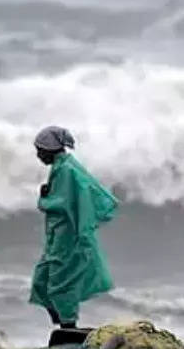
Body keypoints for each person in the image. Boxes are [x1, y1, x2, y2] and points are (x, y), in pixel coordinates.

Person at [29, 125, 118, 329]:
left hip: (66, 239)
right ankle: (65, 325)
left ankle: (68, 327)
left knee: (62, 285)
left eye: (40, 150)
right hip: (56, 238)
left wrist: (44, 198)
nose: (38, 155)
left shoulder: (67, 171)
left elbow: (62, 203)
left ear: (50, 149)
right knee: (41, 283)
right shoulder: (61, 167)